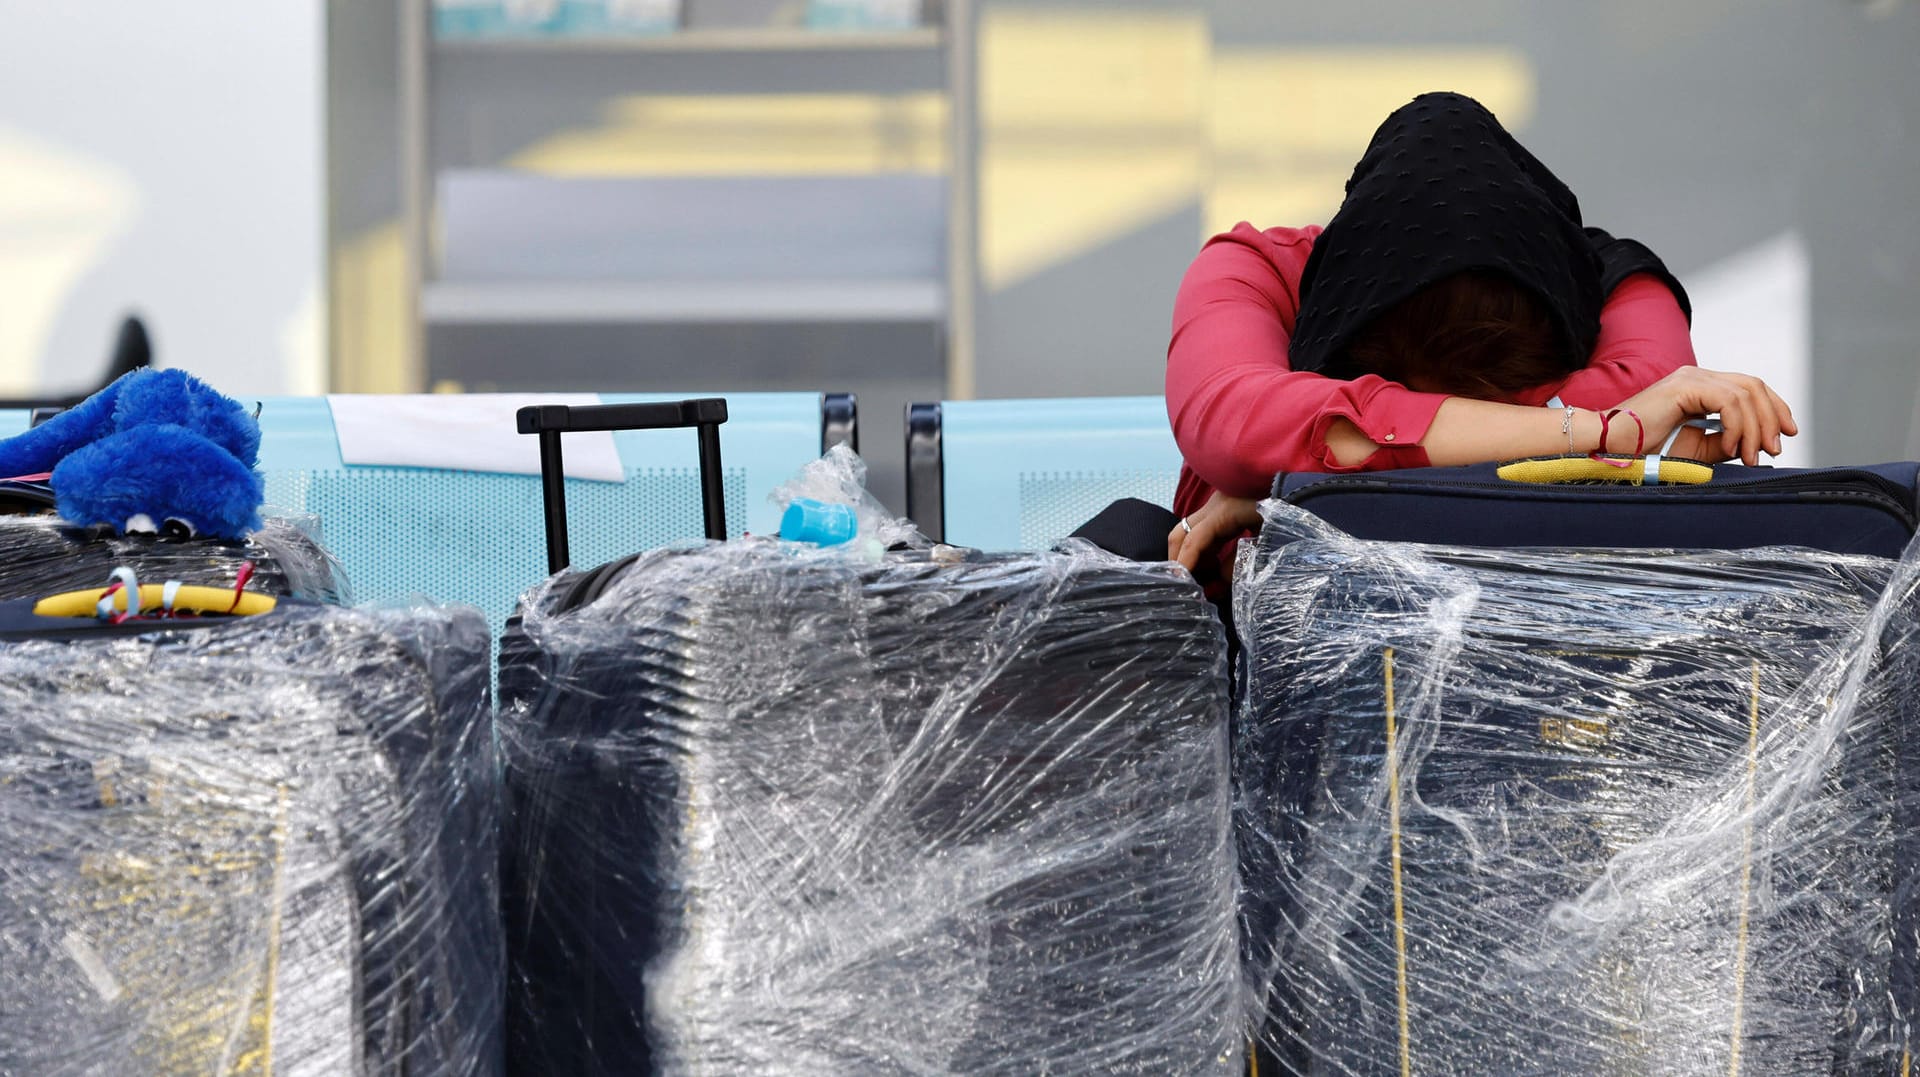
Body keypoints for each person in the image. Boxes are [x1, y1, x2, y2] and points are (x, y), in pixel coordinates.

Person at [1162, 92, 1797, 578]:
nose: (1446, 411)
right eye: (1399, 385)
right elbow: (1235, 427)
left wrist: (1299, 494)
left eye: (1509, 393)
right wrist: (1612, 437)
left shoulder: (1618, 288)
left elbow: (1260, 447)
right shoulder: (1255, 271)